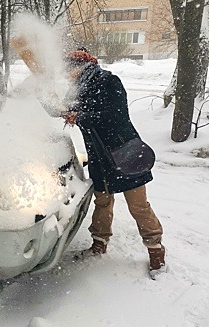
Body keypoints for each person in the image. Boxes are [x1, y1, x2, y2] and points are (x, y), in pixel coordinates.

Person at [62, 49, 166, 279]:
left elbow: (116, 115)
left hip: (124, 153)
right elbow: (60, 109)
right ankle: (99, 243)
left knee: (138, 205)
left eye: (70, 68)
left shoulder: (108, 81)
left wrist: (80, 117)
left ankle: (156, 250)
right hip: (99, 158)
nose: (67, 74)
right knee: (102, 203)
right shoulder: (77, 90)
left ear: (83, 66)